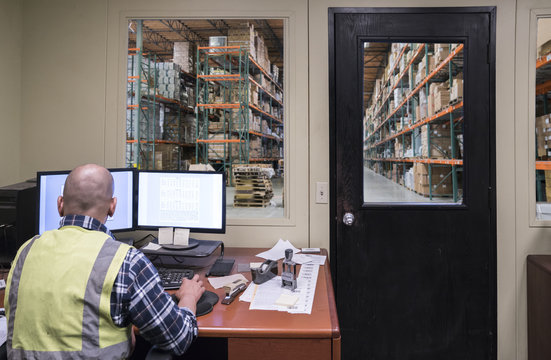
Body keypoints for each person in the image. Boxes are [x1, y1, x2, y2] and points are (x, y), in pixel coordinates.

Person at [4, 164, 205, 359]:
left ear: (60, 204)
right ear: (112, 207)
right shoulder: (126, 261)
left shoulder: (25, 251)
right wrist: (188, 298)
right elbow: (178, 338)